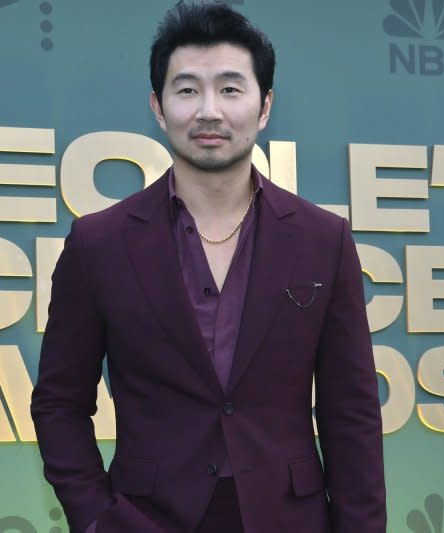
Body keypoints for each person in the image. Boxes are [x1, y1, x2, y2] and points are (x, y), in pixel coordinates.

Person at [30, 3, 386, 532]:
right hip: (146, 518)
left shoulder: (322, 239)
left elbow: (351, 413)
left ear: (264, 107)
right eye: (188, 89)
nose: (209, 111)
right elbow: (59, 402)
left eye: (230, 88)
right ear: (158, 106)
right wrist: (98, 519)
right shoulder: (98, 243)